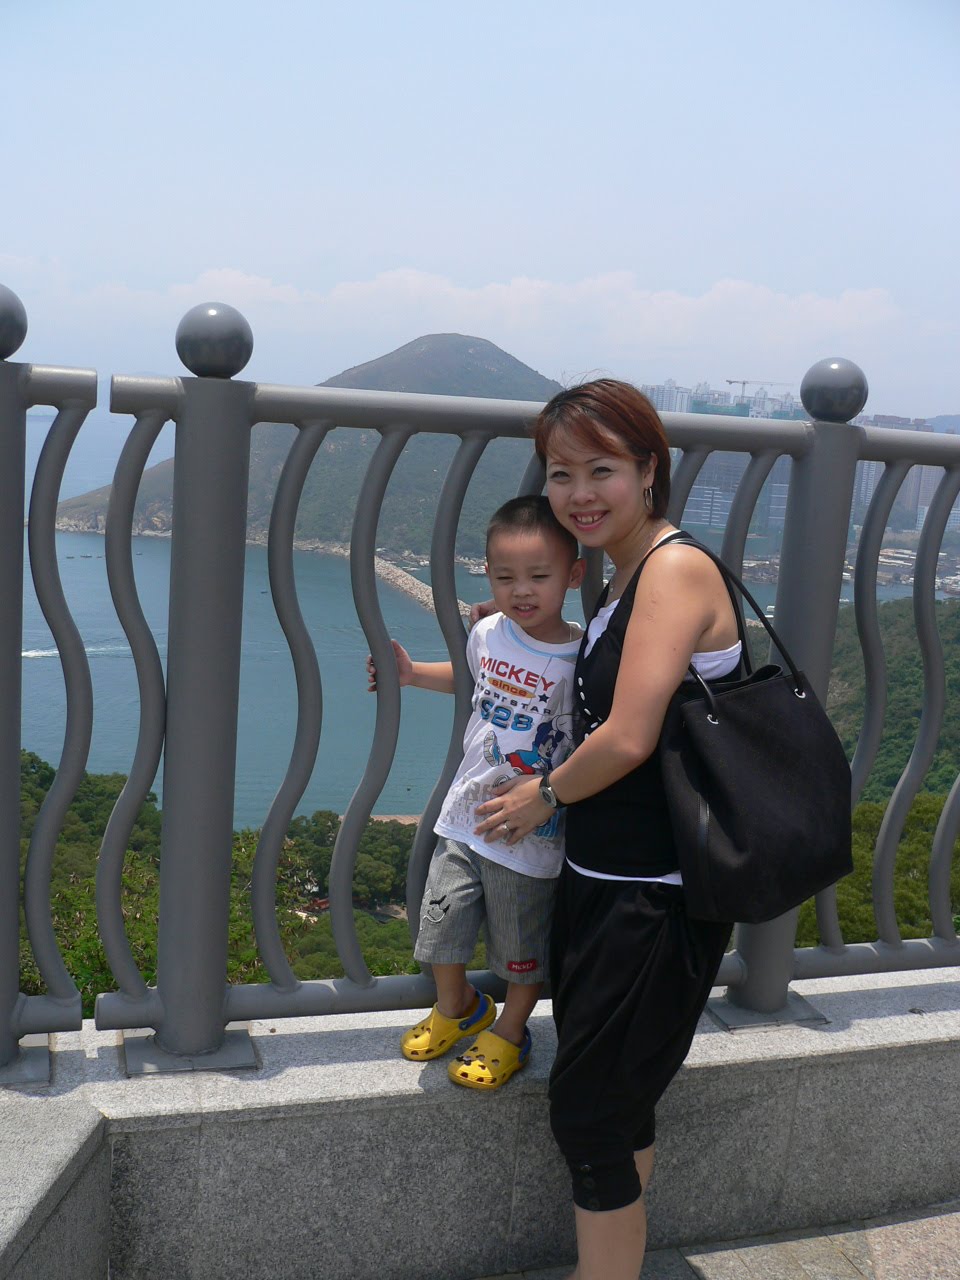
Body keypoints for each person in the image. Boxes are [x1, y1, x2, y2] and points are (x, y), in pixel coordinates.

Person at [472, 381, 738, 1278]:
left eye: (602, 470)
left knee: (587, 1118)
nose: (579, 493)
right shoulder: (621, 574)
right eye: (561, 474)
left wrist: (542, 796)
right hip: (605, 880)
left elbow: (627, 737)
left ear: (648, 469)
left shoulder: (673, 570)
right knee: (619, 1105)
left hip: (657, 895)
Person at [366, 495, 584, 1089]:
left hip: (528, 831)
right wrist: (411, 675)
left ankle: (510, 1031)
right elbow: (471, 683)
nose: (522, 591)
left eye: (539, 576)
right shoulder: (488, 632)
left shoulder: (582, 655)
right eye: (505, 577)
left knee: (521, 949)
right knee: (441, 924)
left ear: (573, 575)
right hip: (465, 817)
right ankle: (457, 1007)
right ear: (486, 575)